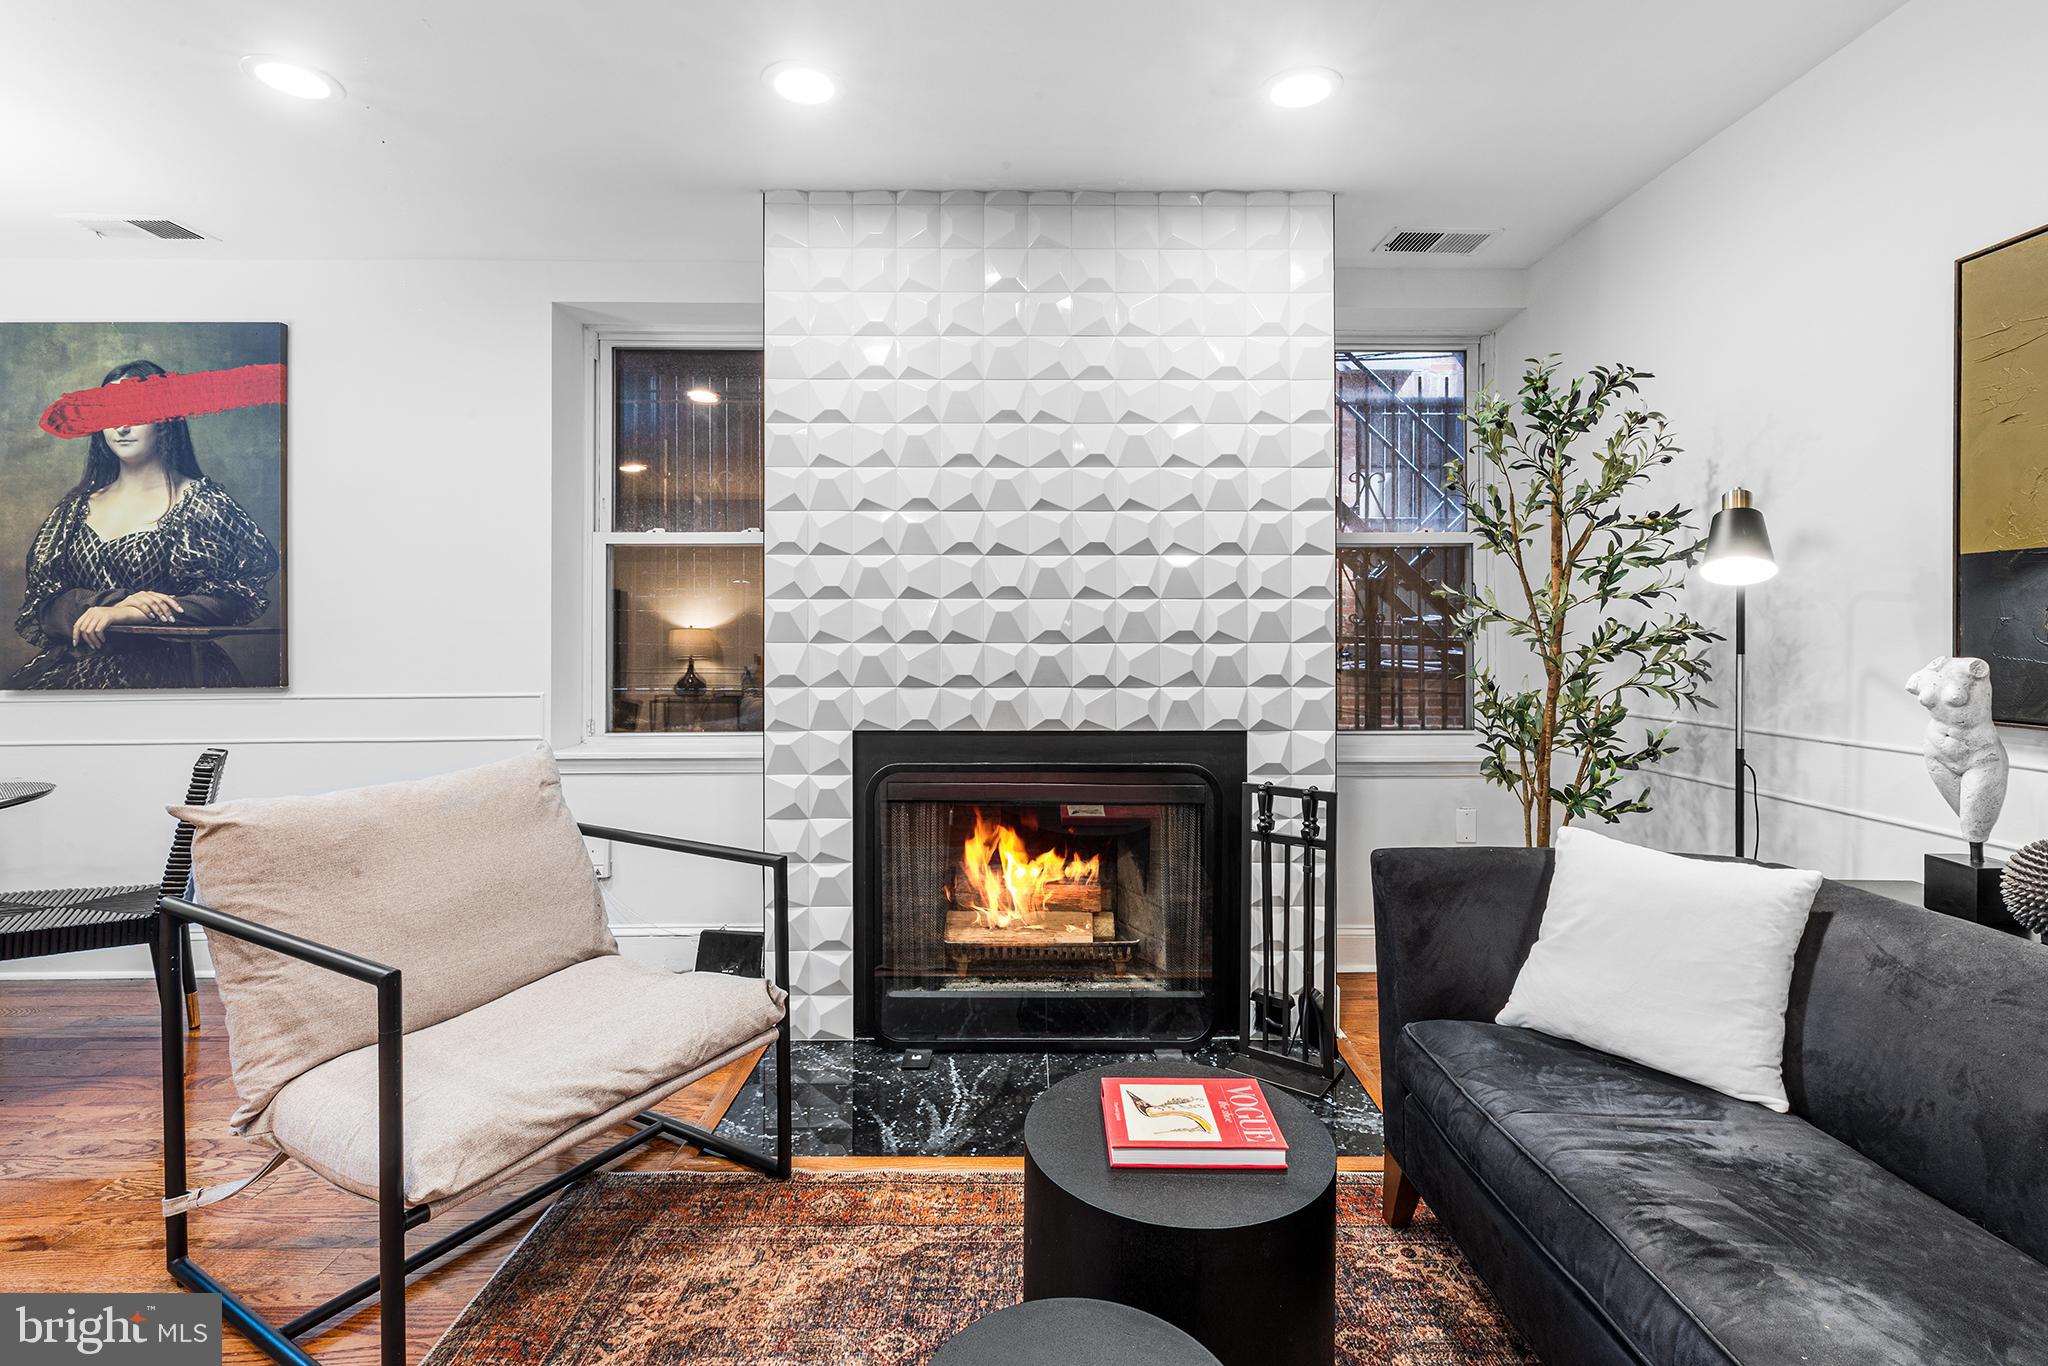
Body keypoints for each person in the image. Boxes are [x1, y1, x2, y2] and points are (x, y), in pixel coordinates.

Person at [10, 360, 279, 689]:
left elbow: (228, 600)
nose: (121, 426)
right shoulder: (73, 510)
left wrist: (133, 614)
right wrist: (110, 604)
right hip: (77, 670)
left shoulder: (201, 504)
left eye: (136, 411)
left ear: (165, 420)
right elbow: (45, 606)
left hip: (172, 671)